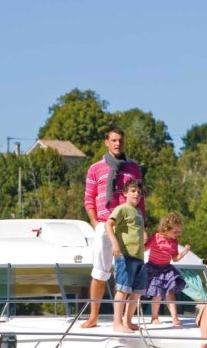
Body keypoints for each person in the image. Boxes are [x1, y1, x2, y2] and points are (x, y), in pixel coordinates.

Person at [82, 127, 145, 328]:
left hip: (128, 227)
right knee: (100, 271)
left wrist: (143, 226)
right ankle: (94, 316)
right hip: (105, 222)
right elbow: (88, 199)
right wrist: (95, 223)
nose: (118, 144)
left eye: (121, 141)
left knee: (129, 272)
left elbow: (140, 199)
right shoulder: (95, 168)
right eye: (114, 140)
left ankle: (126, 320)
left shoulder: (133, 168)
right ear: (106, 142)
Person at [106, 180, 147, 333]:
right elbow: (108, 224)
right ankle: (117, 323)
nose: (137, 194)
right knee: (122, 289)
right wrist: (115, 244)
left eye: (139, 192)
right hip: (125, 255)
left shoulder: (139, 212)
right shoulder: (121, 208)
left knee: (137, 291)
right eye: (133, 190)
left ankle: (127, 321)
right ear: (125, 194)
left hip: (139, 257)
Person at [145, 212, 191, 326]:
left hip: (166, 269)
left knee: (170, 293)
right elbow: (144, 248)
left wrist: (185, 252)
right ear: (166, 228)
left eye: (179, 232)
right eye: (175, 232)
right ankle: (154, 317)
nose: (177, 234)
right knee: (157, 293)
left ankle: (174, 318)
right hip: (153, 268)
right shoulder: (155, 237)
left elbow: (175, 258)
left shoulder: (174, 241)